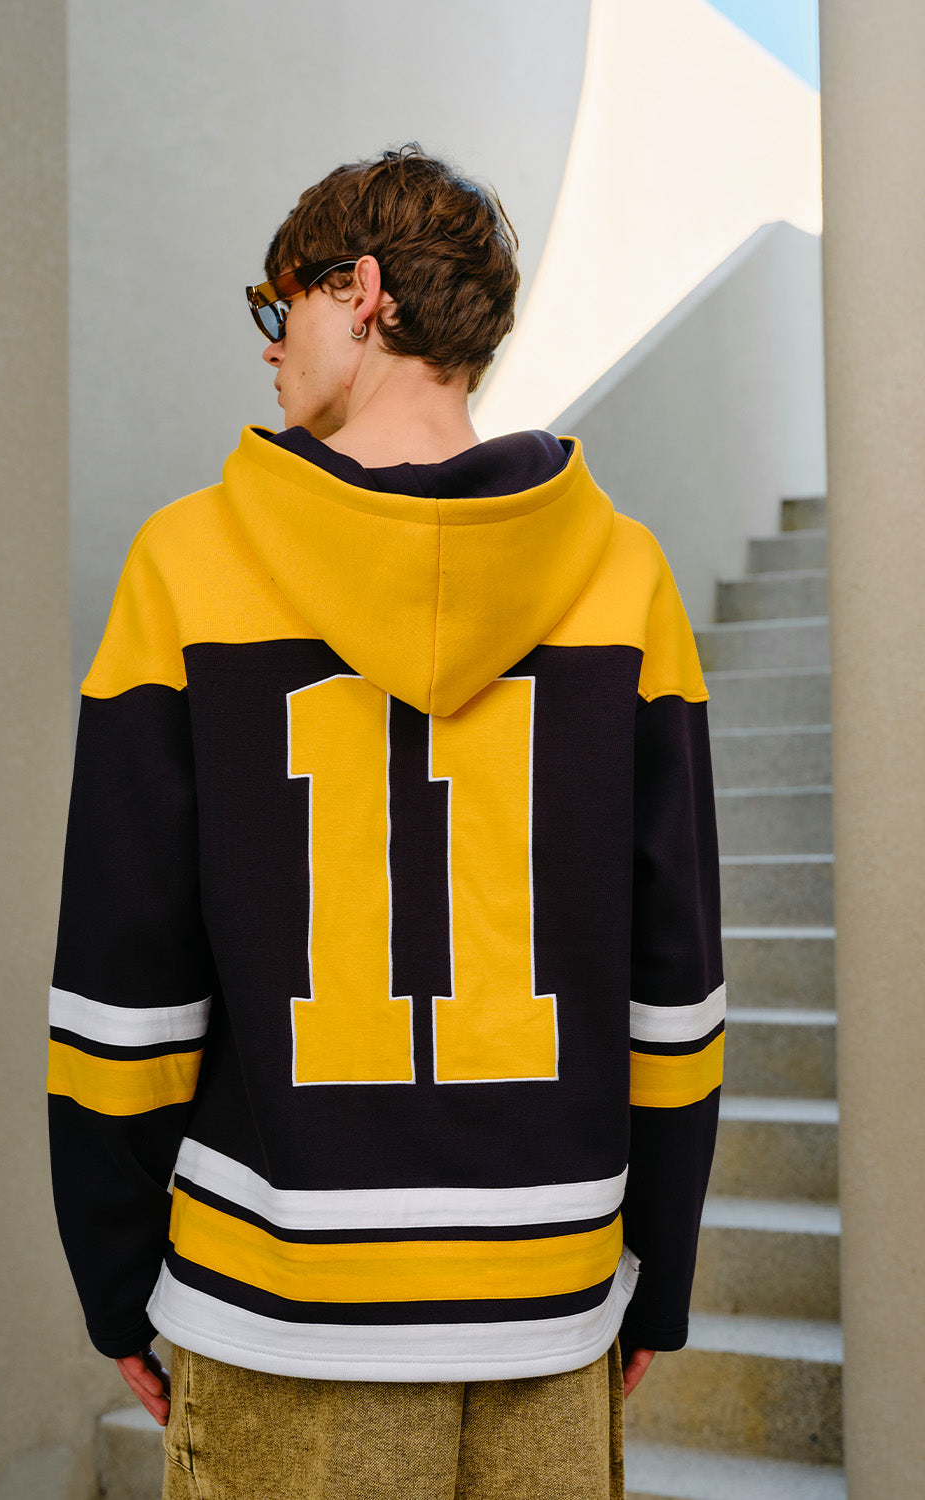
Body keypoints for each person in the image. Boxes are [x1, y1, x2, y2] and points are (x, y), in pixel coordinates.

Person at [48, 143, 723, 1499]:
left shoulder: (187, 566)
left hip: (280, 1301)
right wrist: (659, 1262)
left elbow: (127, 984)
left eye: (278, 303)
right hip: (548, 1296)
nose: (267, 343)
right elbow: (675, 987)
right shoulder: (625, 578)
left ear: (359, 293)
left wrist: (116, 1272)